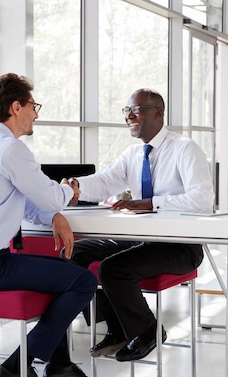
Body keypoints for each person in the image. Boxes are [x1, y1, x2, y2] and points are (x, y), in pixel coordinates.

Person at [0, 73, 97, 377]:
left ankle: (60, 366)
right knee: (84, 282)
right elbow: (51, 196)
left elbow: (27, 205)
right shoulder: (11, 149)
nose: (36, 113)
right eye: (33, 105)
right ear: (16, 107)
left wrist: (53, 216)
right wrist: (69, 190)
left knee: (60, 280)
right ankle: (15, 368)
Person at [64, 88, 214, 362]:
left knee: (113, 268)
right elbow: (105, 182)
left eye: (135, 110)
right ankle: (119, 329)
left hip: (180, 246)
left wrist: (150, 203)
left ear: (158, 113)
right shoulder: (133, 154)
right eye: (126, 111)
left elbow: (202, 198)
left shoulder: (185, 148)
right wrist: (77, 186)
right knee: (77, 252)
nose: (128, 116)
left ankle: (147, 331)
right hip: (140, 240)